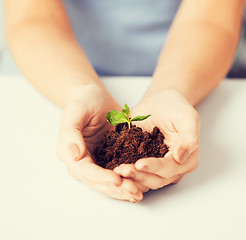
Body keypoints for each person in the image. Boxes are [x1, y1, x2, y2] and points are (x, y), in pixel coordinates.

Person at [4, 0, 244, 203]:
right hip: (55, 68)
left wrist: (172, 91)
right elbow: (32, 17)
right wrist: (80, 94)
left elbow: (213, 20)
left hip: (194, 68)